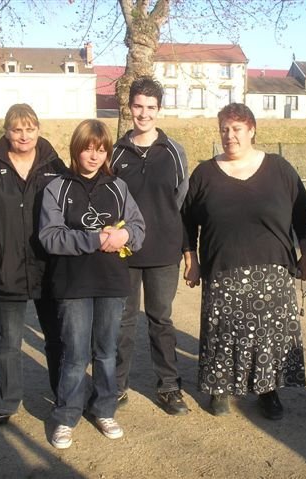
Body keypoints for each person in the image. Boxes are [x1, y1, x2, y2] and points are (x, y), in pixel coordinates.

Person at [181, 103, 306, 420]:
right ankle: (219, 389)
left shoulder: (280, 169)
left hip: (273, 270)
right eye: (224, 129)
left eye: (236, 129)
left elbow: (302, 215)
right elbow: (185, 221)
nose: (230, 136)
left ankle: (268, 391)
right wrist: (191, 260)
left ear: (252, 130)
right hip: (222, 269)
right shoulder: (204, 174)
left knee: (267, 335)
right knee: (222, 334)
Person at [39, 119, 145, 449]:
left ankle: (103, 409)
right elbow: (50, 237)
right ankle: (66, 415)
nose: (94, 156)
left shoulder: (118, 187)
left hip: (112, 283)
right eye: (88, 149)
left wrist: (125, 234)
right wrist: (95, 238)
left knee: (107, 352)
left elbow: (139, 229)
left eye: (101, 150)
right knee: (74, 354)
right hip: (73, 285)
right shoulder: (57, 187)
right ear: (76, 149)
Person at [0, 104, 67, 427]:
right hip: (6, 270)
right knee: (10, 342)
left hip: (48, 267)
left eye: (30, 128)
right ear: (6, 131)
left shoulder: (54, 165)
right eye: (17, 129)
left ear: (38, 129)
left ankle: (63, 395)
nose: (24, 136)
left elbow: (68, 207)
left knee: (56, 337)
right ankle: (7, 402)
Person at [111, 77, 190, 415]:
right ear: (129, 107)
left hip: (163, 253)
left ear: (159, 110)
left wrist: (188, 253)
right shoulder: (114, 152)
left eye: (150, 107)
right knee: (122, 322)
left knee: (161, 320)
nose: (143, 113)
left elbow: (182, 205)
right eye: (138, 106)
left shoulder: (174, 152)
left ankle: (169, 386)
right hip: (124, 254)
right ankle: (115, 386)